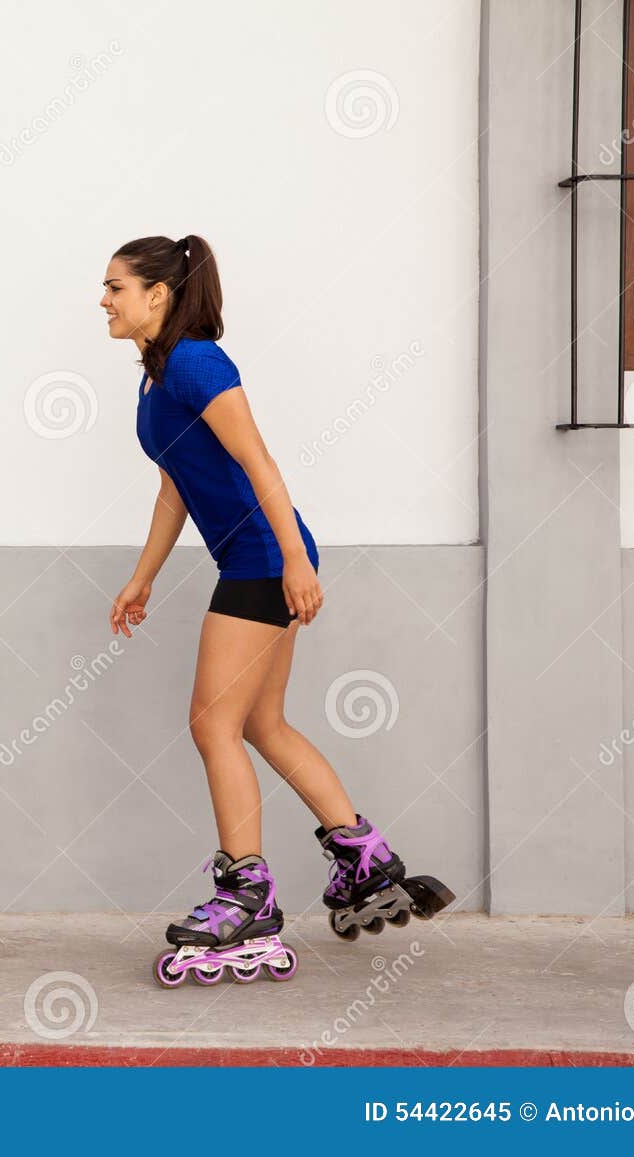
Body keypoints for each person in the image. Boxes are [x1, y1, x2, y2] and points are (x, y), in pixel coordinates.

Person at [100, 235, 452, 986]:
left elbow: (259, 460)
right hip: (249, 557)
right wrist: (142, 579)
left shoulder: (196, 361)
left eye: (115, 287)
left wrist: (295, 558)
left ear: (158, 294)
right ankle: (364, 855)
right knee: (260, 723)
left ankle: (247, 893)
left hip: (264, 556)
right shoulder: (156, 378)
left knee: (211, 722)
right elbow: (175, 489)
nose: (104, 301)